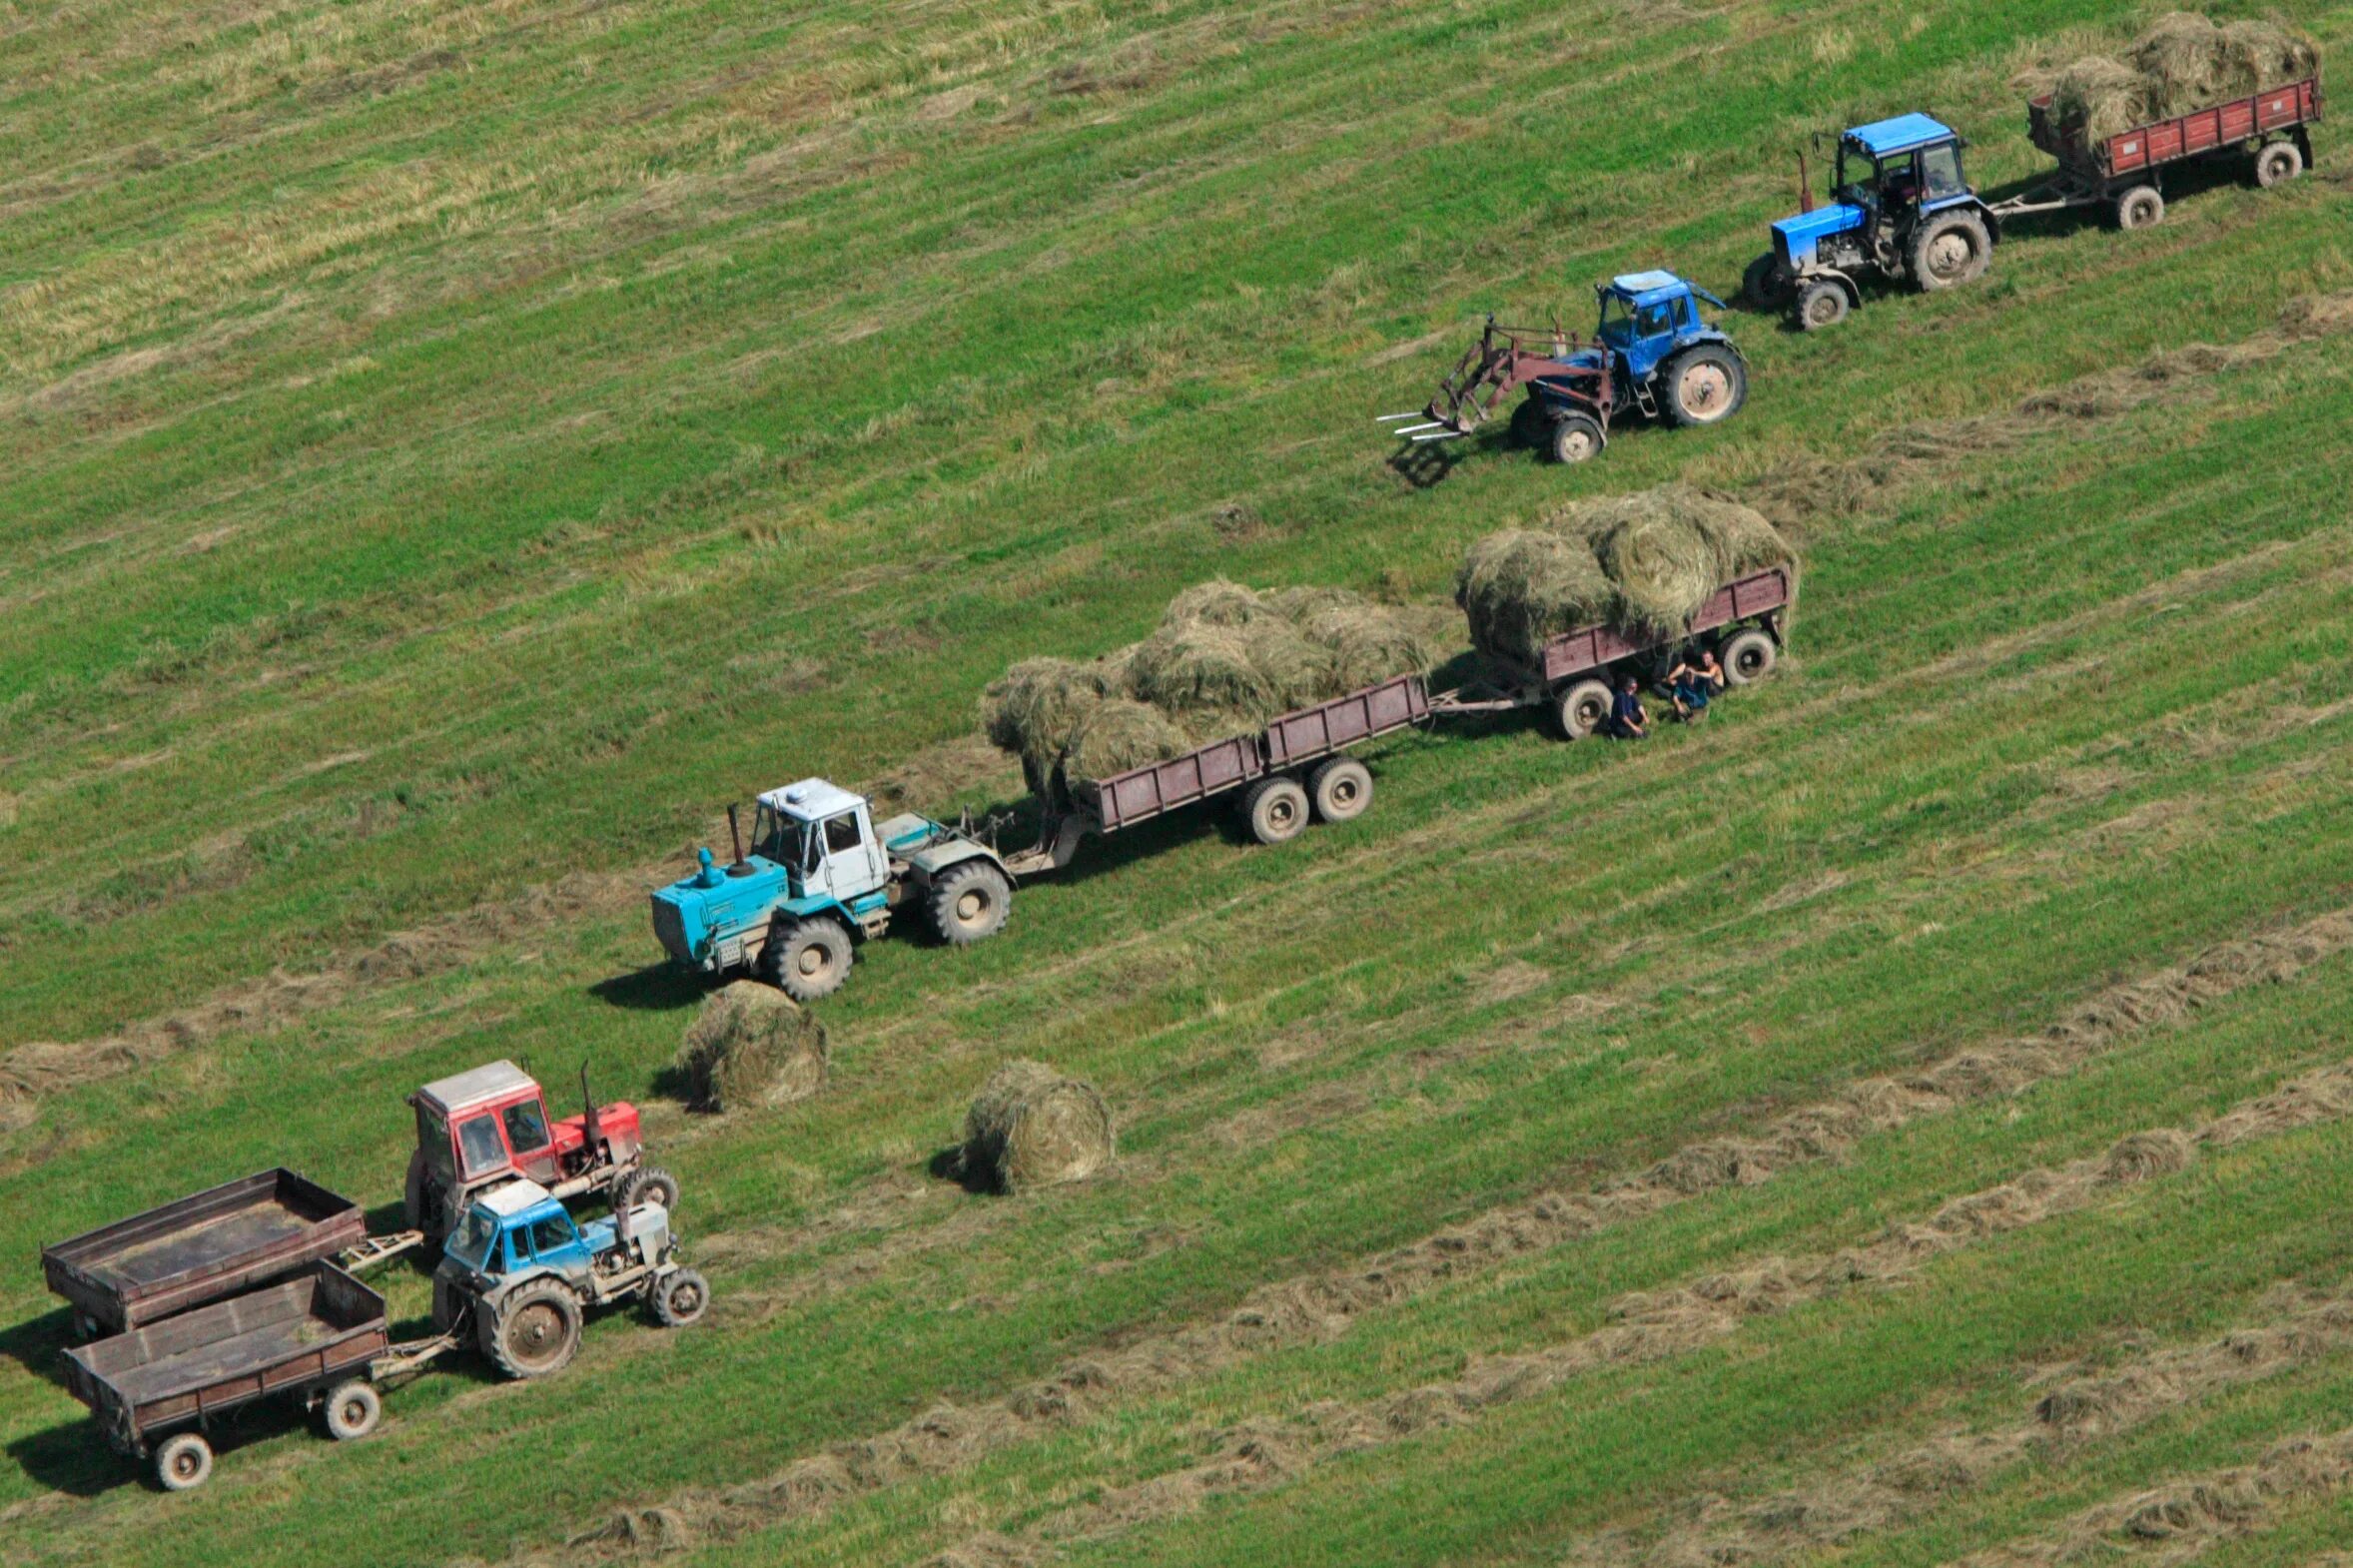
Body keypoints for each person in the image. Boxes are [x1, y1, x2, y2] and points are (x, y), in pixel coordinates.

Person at [1667, 646, 1724, 722]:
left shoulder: (1714, 666)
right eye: (1704, 659)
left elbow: (1709, 675)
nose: (1705, 660)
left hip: (1716, 689)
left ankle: (1700, 714)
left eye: (1707, 658)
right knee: (1680, 716)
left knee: (1691, 722)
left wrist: (1695, 673)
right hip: (1690, 704)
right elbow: (1675, 696)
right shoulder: (1683, 682)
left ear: (1712, 657)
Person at [1606, 674, 1647, 740]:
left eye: (1635, 688)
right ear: (1626, 686)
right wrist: (1634, 727)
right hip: (1618, 723)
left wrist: (1645, 717)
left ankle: (1632, 728)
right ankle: (1615, 733)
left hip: (1628, 717)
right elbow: (1623, 717)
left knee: (1642, 713)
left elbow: (1639, 706)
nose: (1633, 690)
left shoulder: (1631, 693)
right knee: (1634, 734)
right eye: (1631, 687)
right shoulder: (1621, 696)